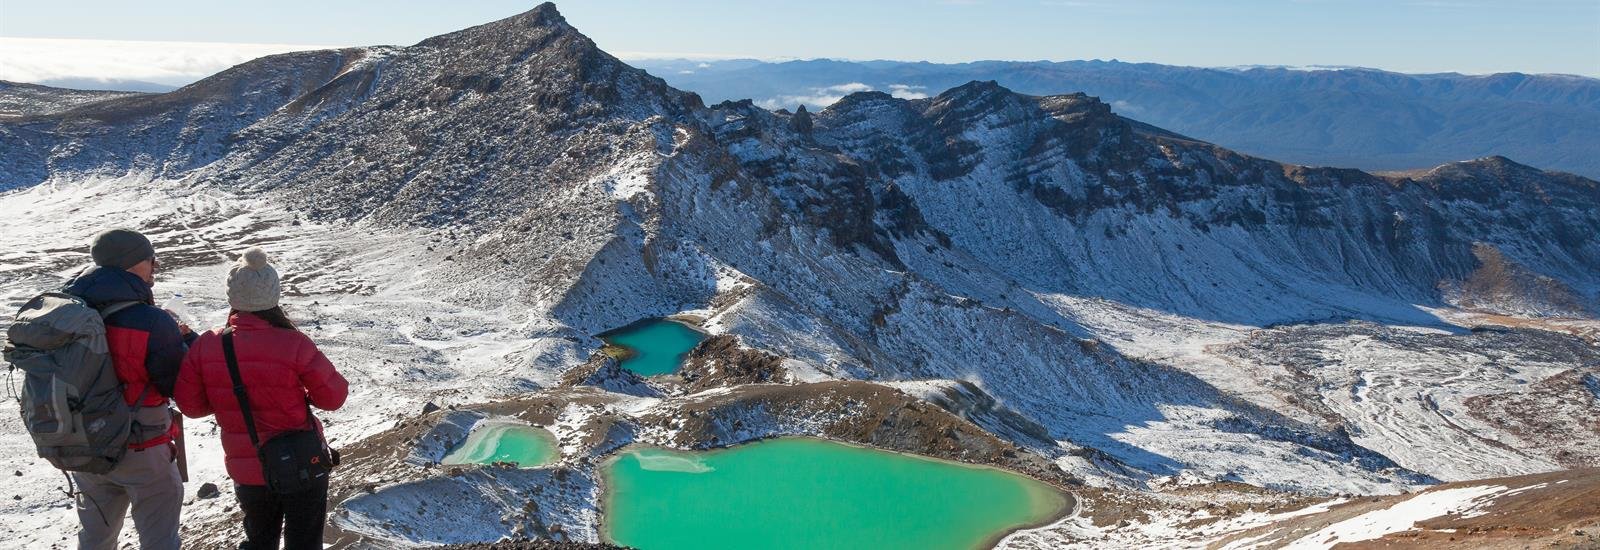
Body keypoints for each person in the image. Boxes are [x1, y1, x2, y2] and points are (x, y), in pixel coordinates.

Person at [174, 248, 348, 550]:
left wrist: (226, 397)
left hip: (248, 468)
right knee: (305, 543)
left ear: (233, 296)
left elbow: (191, 406)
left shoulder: (208, 344)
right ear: (273, 294)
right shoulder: (294, 342)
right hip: (302, 462)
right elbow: (334, 397)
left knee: (259, 541)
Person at [61, 228, 191, 550]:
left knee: (95, 539)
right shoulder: (151, 321)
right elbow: (179, 386)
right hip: (143, 448)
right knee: (160, 540)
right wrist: (185, 340)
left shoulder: (69, 314)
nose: (155, 266)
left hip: (85, 446)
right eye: (151, 259)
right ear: (133, 264)